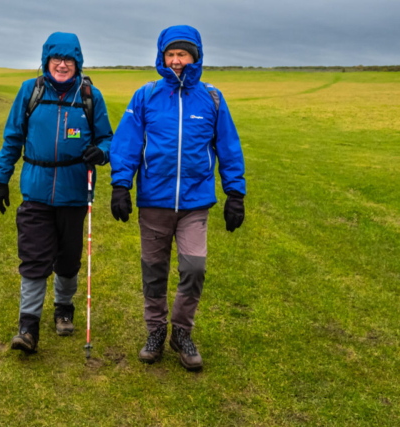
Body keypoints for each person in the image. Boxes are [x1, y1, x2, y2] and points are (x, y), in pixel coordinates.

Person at [109, 25, 246, 371]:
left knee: (194, 268)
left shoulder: (212, 98)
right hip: (154, 201)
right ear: (161, 56)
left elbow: (228, 147)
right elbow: (127, 143)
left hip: (195, 203)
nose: (176, 61)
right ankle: (155, 331)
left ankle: (181, 332)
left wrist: (236, 193)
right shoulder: (146, 95)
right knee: (154, 272)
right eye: (170, 54)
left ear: (195, 57)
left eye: (182, 54)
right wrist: (121, 185)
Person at [0, 32, 113, 353]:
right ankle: (28, 327)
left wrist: (100, 153)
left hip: (74, 193)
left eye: (69, 59)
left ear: (78, 62)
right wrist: (2, 178)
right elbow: (12, 138)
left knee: (69, 259)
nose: (62, 65)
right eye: (56, 59)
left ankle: (64, 309)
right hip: (35, 191)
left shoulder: (90, 97)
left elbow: (108, 140)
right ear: (46, 61)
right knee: (34, 258)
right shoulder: (30, 92)